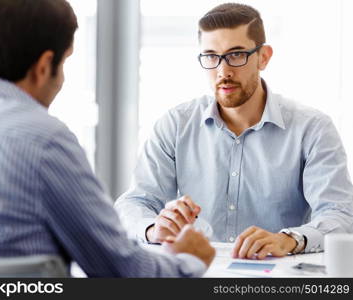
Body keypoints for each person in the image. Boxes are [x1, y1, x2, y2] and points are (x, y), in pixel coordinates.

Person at [0, 0, 215, 277]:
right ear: (45, 65)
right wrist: (189, 261)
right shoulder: (43, 140)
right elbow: (119, 269)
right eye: (65, 62)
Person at [115, 2, 353, 260]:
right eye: (211, 56)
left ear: (263, 57)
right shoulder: (175, 124)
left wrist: (288, 240)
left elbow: (340, 214)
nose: (223, 71)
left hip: (274, 278)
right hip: (195, 273)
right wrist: (153, 229)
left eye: (236, 55)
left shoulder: (312, 129)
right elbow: (133, 203)